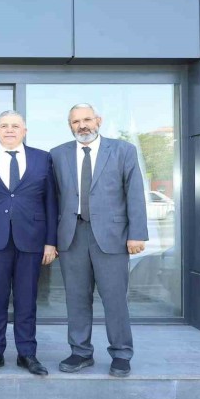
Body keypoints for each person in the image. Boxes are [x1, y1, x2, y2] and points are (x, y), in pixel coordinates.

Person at [50, 103, 148, 378]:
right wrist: (50, 238)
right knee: (76, 298)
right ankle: (80, 351)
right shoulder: (57, 154)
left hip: (112, 237)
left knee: (115, 299)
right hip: (72, 236)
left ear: (98, 120)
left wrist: (137, 233)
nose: (82, 125)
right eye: (75, 122)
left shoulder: (123, 150)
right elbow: (52, 198)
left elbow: (135, 193)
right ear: (70, 126)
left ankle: (121, 353)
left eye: (87, 119)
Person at [0, 110, 58, 376]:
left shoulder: (43, 158)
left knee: (27, 299)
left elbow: (51, 202)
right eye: (4, 126)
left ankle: (27, 353)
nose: (10, 130)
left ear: (25, 131)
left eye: (15, 126)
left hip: (31, 239)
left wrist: (50, 242)